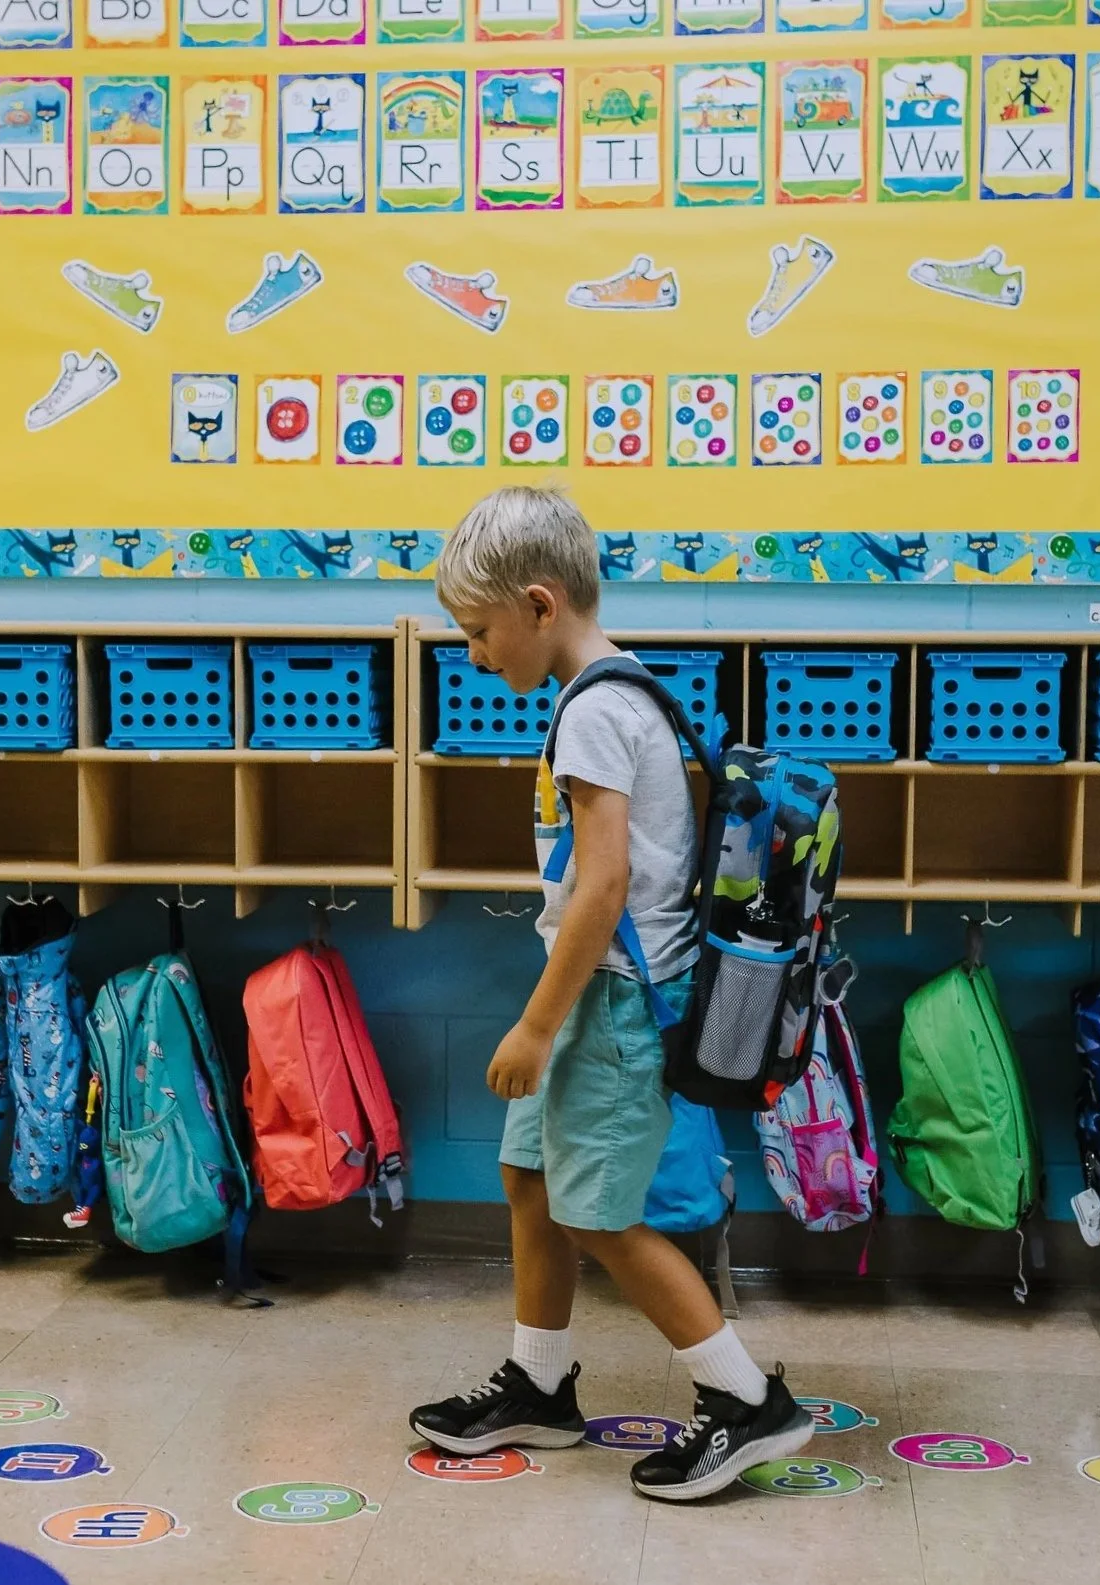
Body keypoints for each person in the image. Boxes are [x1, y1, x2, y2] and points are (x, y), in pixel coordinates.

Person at [408, 486, 812, 1500]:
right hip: (595, 993)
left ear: (539, 604)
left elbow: (604, 886)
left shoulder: (593, 710)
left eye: (478, 630)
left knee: (597, 1213)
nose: (473, 654)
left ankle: (746, 1401)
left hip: (612, 1004)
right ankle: (540, 1384)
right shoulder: (624, 691)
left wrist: (536, 1026)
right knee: (532, 1179)